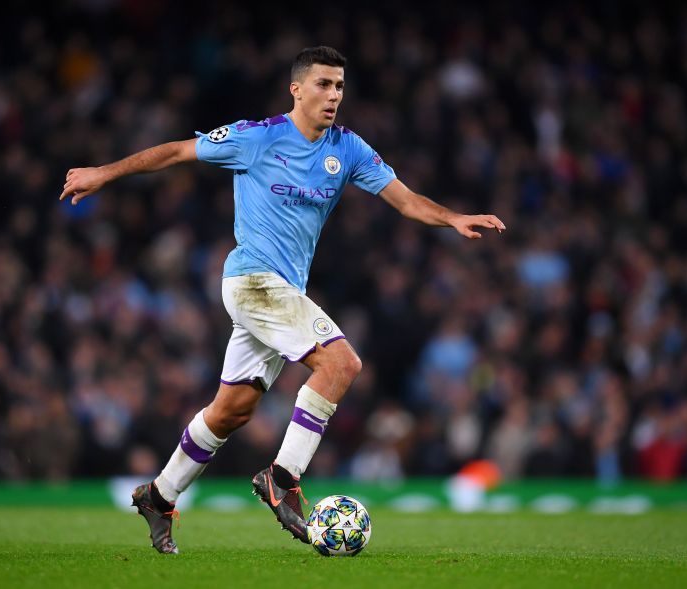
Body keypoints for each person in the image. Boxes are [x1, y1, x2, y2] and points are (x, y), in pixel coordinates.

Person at [60, 46, 505, 554]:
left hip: (282, 291)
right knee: (341, 364)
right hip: (252, 281)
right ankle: (283, 477)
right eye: (322, 84)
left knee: (231, 411)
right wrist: (104, 173)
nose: (333, 95)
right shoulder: (257, 137)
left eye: (339, 86)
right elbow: (177, 152)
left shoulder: (349, 149)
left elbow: (404, 200)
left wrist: (453, 218)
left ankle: (159, 496)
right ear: (296, 89)